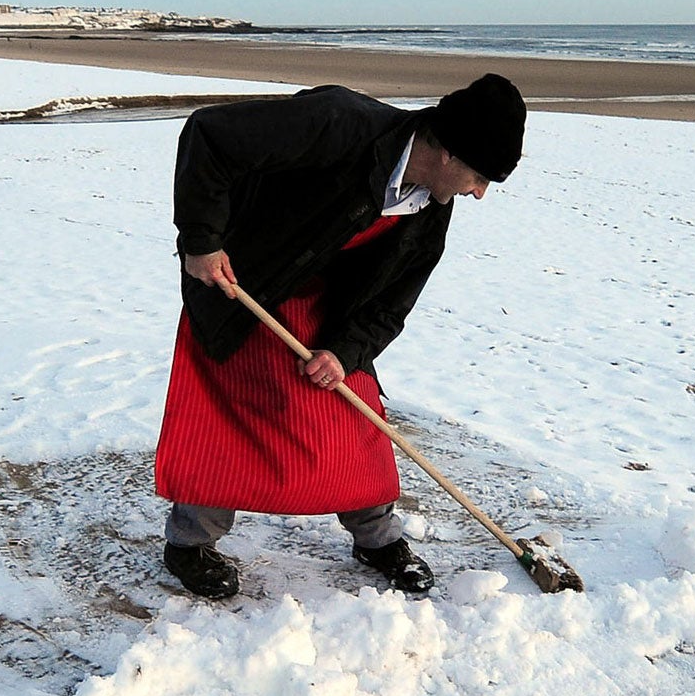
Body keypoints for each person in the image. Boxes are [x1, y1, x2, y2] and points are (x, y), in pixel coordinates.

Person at [154, 73, 526, 601]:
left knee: (355, 417)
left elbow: (390, 306)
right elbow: (209, 135)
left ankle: (376, 540)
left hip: (327, 313)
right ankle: (189, 544)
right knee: (228, 423)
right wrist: (201, 241)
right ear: (448, 152)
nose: (480, 192)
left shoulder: (430, 211)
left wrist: (343, 352)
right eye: (481, 175)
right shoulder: (338, 123)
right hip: (244, 285)